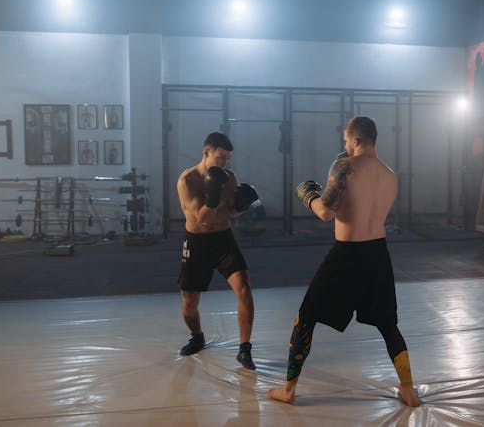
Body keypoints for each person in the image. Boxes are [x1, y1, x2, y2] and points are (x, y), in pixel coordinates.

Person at [268, 116, 420, 407]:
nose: (345, 147)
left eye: (347, 142)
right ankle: (409, 391)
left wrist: (308, 195)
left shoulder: (343, 167)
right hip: (378, 252)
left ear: (357, 140)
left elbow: (325, 212)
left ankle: (288, 390)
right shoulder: (390, 175)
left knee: (306, 315)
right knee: (388, 324)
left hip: (347, 254)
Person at [176, 132, 260, 369]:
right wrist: (212, 195)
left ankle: (245, 349)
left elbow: (232, 212)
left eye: (228, 158)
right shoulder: (187, 181)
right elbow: (201, 220)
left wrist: (243, 204)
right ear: (206, 152)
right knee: (189, 303)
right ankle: (197, 336)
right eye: (221, 157)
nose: (225, 163)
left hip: (224, 239)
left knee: (244, 288)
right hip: (197, 242)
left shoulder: (229, 177)